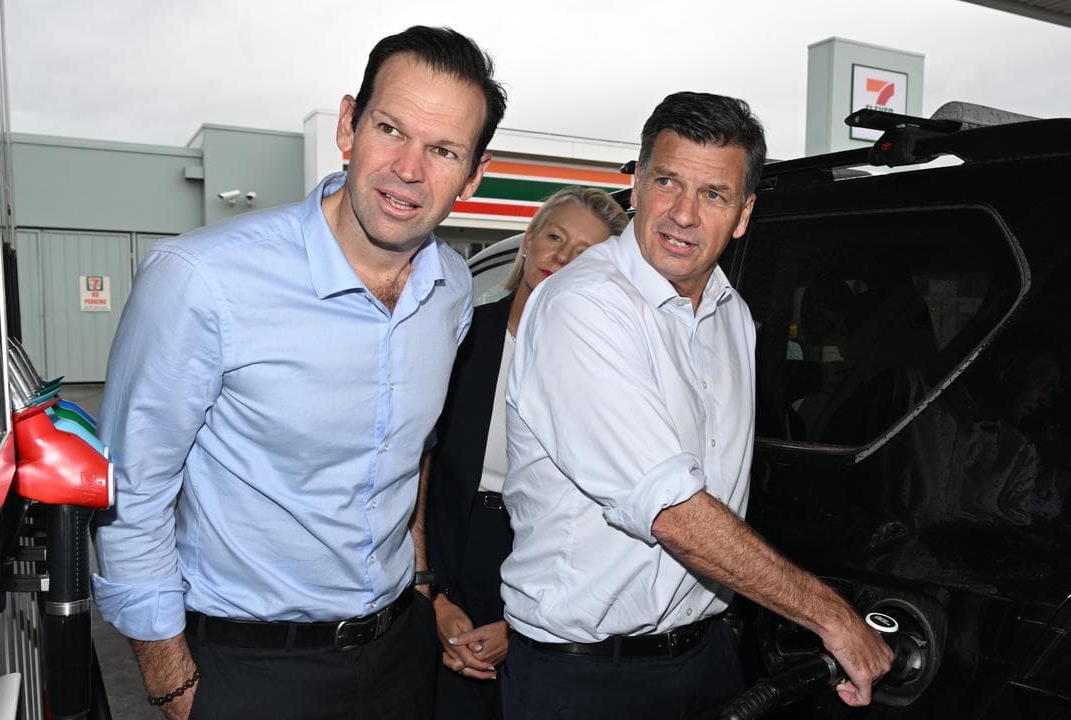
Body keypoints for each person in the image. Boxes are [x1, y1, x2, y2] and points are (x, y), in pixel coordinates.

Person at [90, 26, 506, 720]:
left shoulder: (452, 290)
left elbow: (414, 456)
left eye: (443, 150)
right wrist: (174, 687)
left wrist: (422, 582)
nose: (408, 169)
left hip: (400, 657)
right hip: (249, 670)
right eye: (391, 129)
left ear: (473, 174)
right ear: (348, 125)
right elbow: (130, 495)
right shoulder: (201, 279)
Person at [498, 91, 893, 720]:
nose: (683, 214)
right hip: (587, 678)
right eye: (667, 182)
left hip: (707, 656)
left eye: (713, 194)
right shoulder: (584, 306)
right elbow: (672, 509)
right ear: (637, 185)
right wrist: (831, 617)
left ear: (743, 213)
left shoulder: (732, 314)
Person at [426, 186, 629, 719]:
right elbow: (415, 475)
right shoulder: (461, 337)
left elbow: (602, 509)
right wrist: (433, 598)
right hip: (450, 549)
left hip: (546, 559)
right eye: (555, 237)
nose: (561, 257)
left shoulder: (604, 364)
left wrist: (521, 628)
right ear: (529, 241)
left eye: (583, 252)